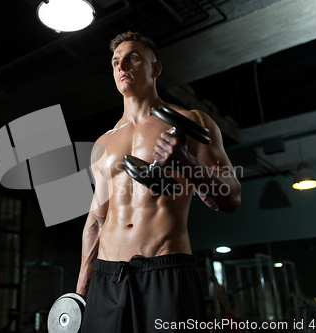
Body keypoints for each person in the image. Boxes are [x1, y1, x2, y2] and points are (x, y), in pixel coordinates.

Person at [76, 31, 241, 333]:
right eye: (115, 62)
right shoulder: (103, 142)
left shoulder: (191, 122)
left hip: (165, 270)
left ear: (155, 68)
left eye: (132, 57)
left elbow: (231, 197)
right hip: (107, 276)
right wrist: (80, 291)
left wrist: (187, 164)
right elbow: (96, 221)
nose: (122, 66)